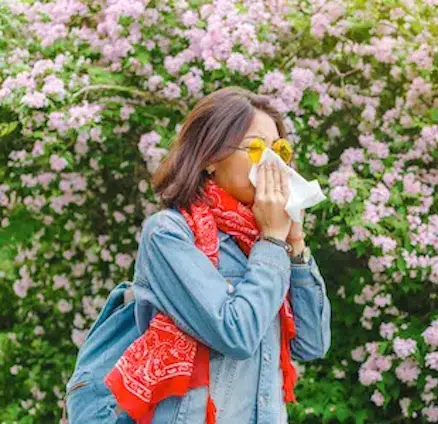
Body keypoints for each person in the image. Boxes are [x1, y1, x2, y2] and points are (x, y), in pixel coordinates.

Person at [108, 86, 331, 423]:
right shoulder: (169, 234)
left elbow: (312, 344)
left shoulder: (263, 242)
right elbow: (235, 333)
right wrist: (272, 240)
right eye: (256, 148)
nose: (272, 163)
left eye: (279, 150)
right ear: (210, 157)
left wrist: (294, 244)